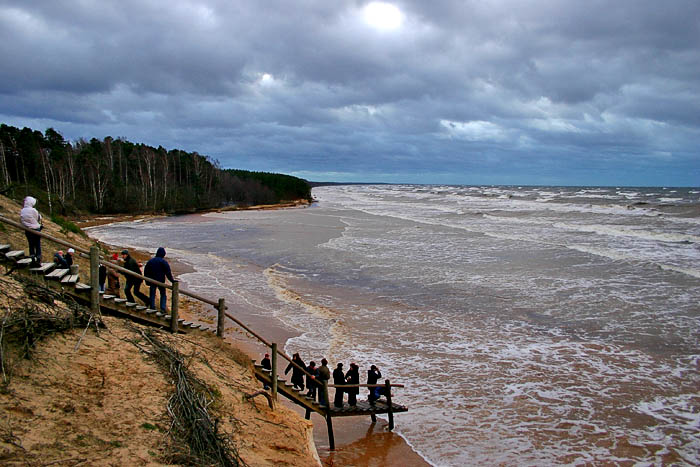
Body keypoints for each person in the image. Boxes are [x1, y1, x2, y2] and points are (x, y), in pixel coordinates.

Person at [143, 247, 175, 311]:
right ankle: (162, 308)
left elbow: (146, 271)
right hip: (161, 281)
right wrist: (172, 281)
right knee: (163, 294)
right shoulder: (163, 262)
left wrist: (147, 280)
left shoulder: (151, 261)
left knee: (152, 294)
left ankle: (152, 307)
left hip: (152, 280)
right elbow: (168, 273)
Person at [19, 196, 42, 264]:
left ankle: (32, 259)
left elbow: (22, 220)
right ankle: (38, 259)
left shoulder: (22, 210)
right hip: (36, 229)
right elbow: (38, 218)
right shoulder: (33, 210)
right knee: (37, 245)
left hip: (27, 230)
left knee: (31, 244)